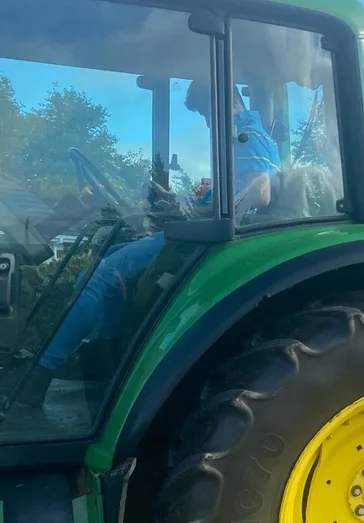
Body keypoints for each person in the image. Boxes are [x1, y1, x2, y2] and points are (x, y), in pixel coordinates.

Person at [12, 81, 280, 408]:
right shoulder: (245, 133)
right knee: (100, 266)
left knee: (101, 276)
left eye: (209, 113)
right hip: (194, 229)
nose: (209, 122)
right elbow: (226, 194)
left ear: (228, 101)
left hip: (203, 239)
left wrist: (202, 214)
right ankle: (104, 362)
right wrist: (173, 202)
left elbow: (260, 190)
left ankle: (39, 376)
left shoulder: (247, 133)